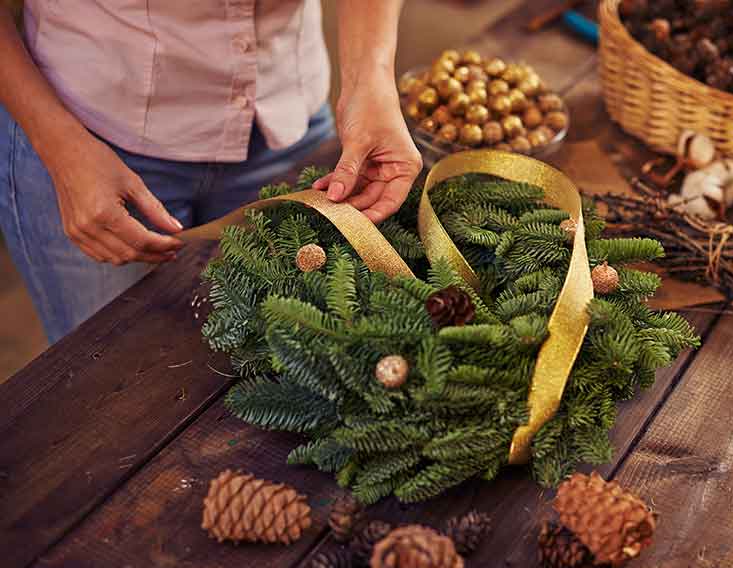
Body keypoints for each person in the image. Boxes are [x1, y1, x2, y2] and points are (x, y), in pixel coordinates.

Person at [0, 1, 422, 344]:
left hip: (286, 118)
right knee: (109, 377)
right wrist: (60, 146)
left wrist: (371, 78)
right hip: (89, 142)